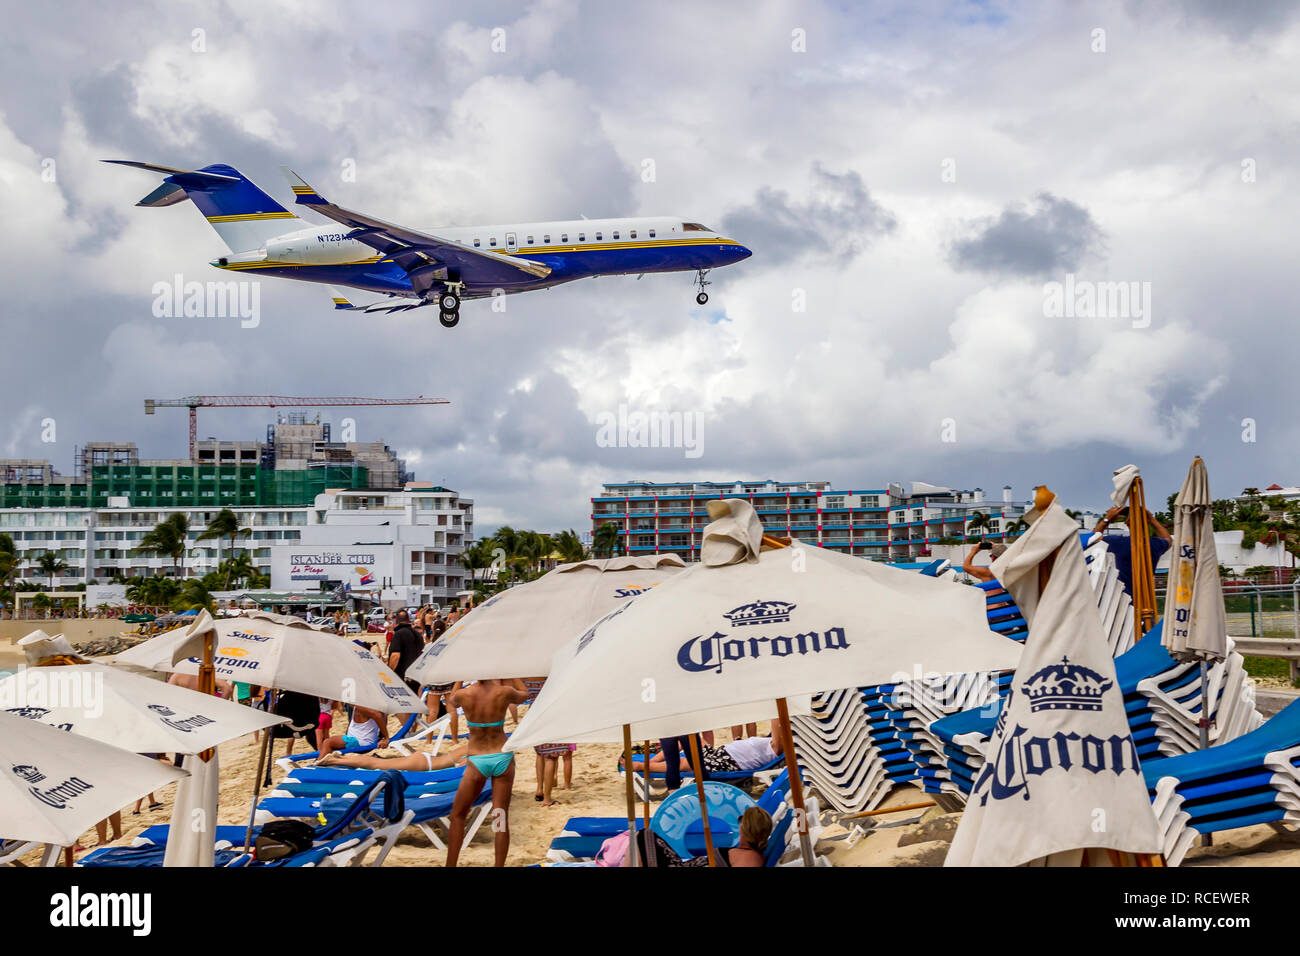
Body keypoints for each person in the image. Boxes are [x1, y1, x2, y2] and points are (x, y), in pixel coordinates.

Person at [445, 678, 529, 867]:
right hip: (501, 756)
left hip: (477, 758)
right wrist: (513, 676)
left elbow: (451, 701)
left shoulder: (464, 694)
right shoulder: (504, 691)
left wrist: (458, 679)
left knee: (457, 815)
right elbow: (525, 694)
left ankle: (450, 865)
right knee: (500, 815)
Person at [1094, 506, 1172, 597]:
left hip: (1122, 599)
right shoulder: (1154, 545)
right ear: (1147, 522)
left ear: (1127, 523)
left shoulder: (1117, 542)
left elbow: (1093, 539)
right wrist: (1152, 519)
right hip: (1146, 599)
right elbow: (1168, 539)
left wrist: (1106, 520)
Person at [633, 733, 783, 777]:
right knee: (690, 737)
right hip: (721, 754)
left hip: (728, 763)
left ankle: (641, 766)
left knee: (686, 763)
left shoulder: (778, 747)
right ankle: (651, 762)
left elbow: (778, 723)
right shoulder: (770, 742)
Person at [320, 742, 470, 772]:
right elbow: (460, 769)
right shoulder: (477, 752)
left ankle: (341, 759)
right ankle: (332, 760)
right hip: (425, 764)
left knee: (377, 763)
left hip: (426, 759)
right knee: (375, 765)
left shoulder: (471, 745)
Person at [315, 704, 388, 762]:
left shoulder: (362, 707)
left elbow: (377, 715)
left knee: (327, 742)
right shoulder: (373, 707)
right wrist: (382, 737)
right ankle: (323, 760)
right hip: (359, 739)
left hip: (360, 742)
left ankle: (318, 767)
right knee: (332, 744)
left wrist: (386, 738)